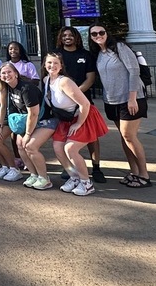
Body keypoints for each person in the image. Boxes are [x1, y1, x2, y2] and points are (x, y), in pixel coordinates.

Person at [90, 25, 151, 188]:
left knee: (129, 135)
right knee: (124, 138)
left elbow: (134, 71)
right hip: (112, 100)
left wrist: (132, 98)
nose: (98, 35)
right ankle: (135, 172)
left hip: (130, 99)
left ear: (107, 33)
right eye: (94, 34)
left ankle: (144, 175)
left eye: (101, 32)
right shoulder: (99, 54)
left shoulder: (120, 47)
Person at [43, 52, 109, 196]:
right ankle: (74, 177)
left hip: (82, 116)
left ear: (61, 66)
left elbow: (84, 103)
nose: (52, 66)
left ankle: (86, 183)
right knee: (58, 147)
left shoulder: (65, 82)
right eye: (49, 62)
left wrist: (78, 124)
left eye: (55, 63)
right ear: (44, 64)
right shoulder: (46, 80)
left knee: (70, 148)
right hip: (66, 119)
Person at [55, 26, 105, 183]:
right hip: (64, 106)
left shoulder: (86, 55)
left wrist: (75, 94)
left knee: (92, 137)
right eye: (64, 35)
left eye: (70, 35)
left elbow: (90, 79)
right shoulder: (57, 55)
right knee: (65, 137)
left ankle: (96, 167)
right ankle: (68, 167)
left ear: (76, 37)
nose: (67, 37)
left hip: (84, 102)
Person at [0, 62, 57, 190]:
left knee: (30, 146)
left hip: (44, 121)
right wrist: (0, 125)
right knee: (20, 144)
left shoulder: (26, 88)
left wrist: (28, 134)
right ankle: (34, 174)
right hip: (28, 121)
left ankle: (44, 178)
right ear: (0, 77)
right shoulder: (8, 88)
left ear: (16, 73)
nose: (7, 75)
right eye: (3, 73)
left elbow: (33, 113)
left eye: (9, 72)